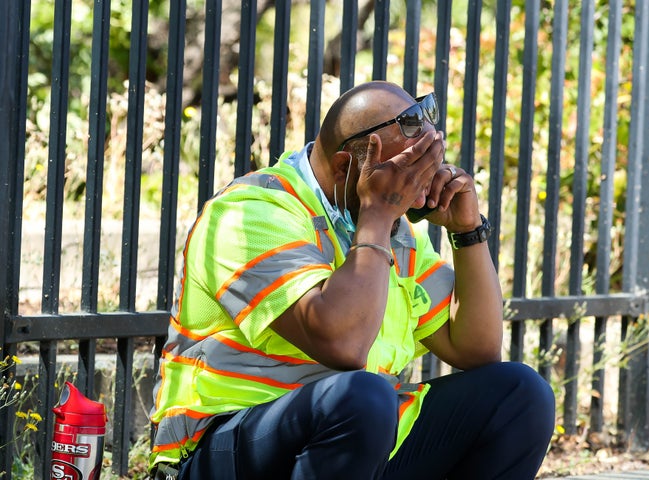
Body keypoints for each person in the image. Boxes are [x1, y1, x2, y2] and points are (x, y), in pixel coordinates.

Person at [150, 80, 555, 479]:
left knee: (520, 395)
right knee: (363, 397)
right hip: (220, 447)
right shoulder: (251, 213)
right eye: (406, 173)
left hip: (352, 439)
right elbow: (342, 344)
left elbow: (477, 350)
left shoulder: (392, 232)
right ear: (347, 167)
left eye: (425, 170)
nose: (416, 193)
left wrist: (467, 232)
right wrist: (378, 215)